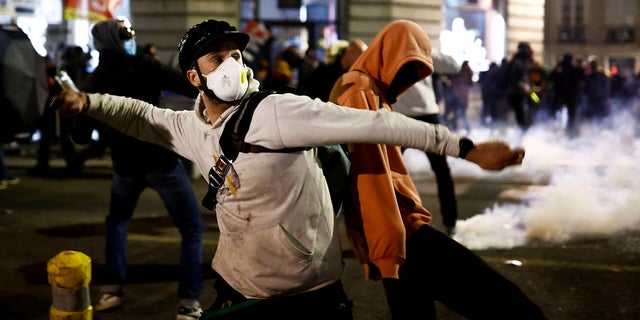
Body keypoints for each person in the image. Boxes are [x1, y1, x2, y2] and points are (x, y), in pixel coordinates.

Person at [51, 19, 525, 319]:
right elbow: (138, 115)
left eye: (236, 54)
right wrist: (87, 101)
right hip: (237, 288)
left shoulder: (278, 112)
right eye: (218, 57)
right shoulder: (189, 127)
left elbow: (377, 124)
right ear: (194, 77)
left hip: (306, 298)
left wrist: (465, 148)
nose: (233, 64)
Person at [328, 20, 546, 319]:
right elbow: (367, 178)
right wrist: (384, 246)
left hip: (396, 236)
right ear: (387, 56)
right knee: (511, 306)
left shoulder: (370, 92)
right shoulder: (358, 90)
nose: (409, 81)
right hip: (402, 235)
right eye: (406, 68)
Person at [82, 18, 204, 320]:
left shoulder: (96, 78)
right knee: (191, 228)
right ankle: (188, 302)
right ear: (118, 40)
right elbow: (187, 87)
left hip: (124, 165)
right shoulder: (144, 65)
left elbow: (81, 132)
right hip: (161, 160)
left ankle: (111, 291)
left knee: (118, 224)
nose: (132, 37)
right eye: (127, 33)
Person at [393, 49, 461, 235]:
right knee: (441, 171)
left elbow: (454, 66)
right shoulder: (417, 52)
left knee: (389, 172)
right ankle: (450, 221)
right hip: (419, 114)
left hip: (405, 116)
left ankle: (450, 220)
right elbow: (453, 65)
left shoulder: (397, 51)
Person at [301, 38, 367, 101]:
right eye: (361, 56)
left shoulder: (353, 74)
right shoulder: (324, 72)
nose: (363, 61)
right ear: (351, 53)